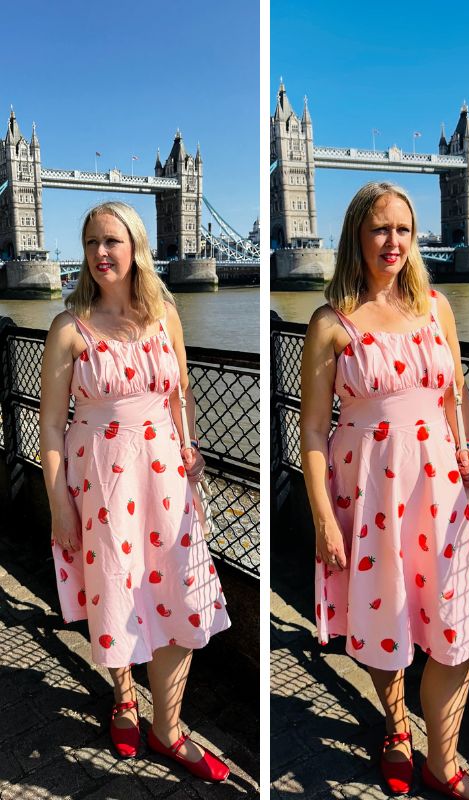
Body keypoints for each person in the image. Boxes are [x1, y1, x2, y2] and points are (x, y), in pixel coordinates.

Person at [300, 181, 469, 799]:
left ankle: (444, 762)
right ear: (356, 237)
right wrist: (323, 520)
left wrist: (467, 452)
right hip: (368, 493)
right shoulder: (330, 323)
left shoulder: (437, 307)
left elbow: (454, 396)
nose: (394, 242)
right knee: (385, 618)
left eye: (404, 230)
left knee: (456, 625)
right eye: (380, 229)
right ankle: (395, 727)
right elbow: (312, 432)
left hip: (440, 489)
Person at [40, 201, 231, 781]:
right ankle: (124, 695)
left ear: (136, 247)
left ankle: (168, 728)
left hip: (166, 476)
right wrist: (59, 505)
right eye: (91, 242)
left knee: (179, 592)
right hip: (100, 480)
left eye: (113, 241)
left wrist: (191, 446)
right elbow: (51, 427)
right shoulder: (69, 328)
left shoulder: (165, 316)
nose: (101, 253)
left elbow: (181, 393)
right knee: (114, 590)